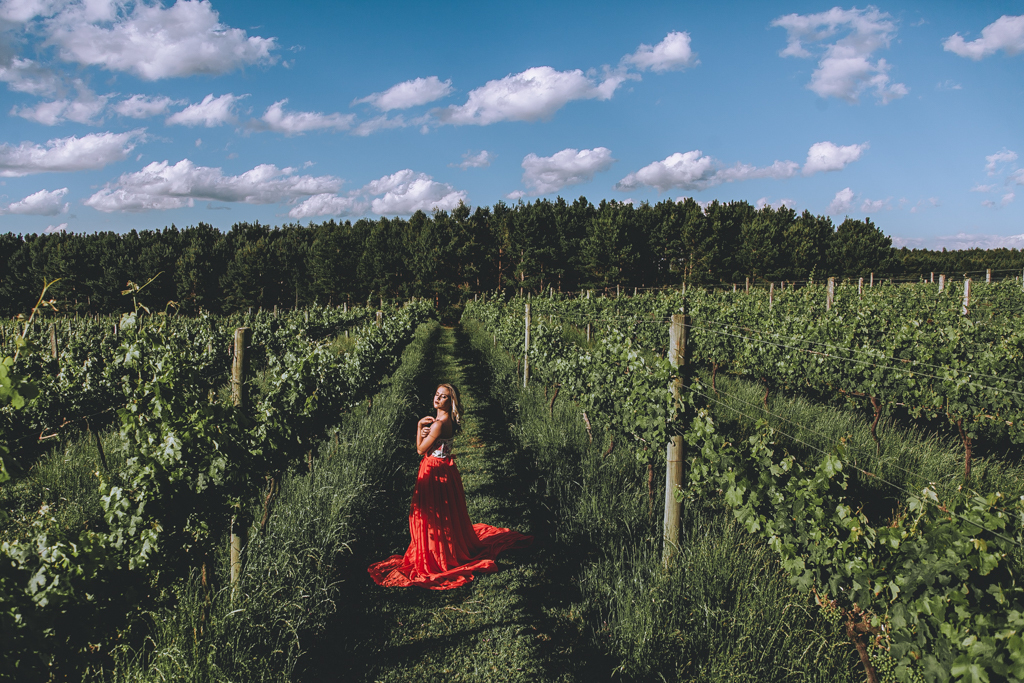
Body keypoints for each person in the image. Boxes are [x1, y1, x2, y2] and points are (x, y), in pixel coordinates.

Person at [367, 383, 532, 590]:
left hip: (434, 471)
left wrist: (419, 427)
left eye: (443, 396)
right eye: (436, 394)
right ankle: (445, 549)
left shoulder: (437, 424)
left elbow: (420, 450)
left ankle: (437, 554)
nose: (438, 398)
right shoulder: (445, 420)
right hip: (444, 470)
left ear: (450, 400)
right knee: (445, 513)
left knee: (432, 514)